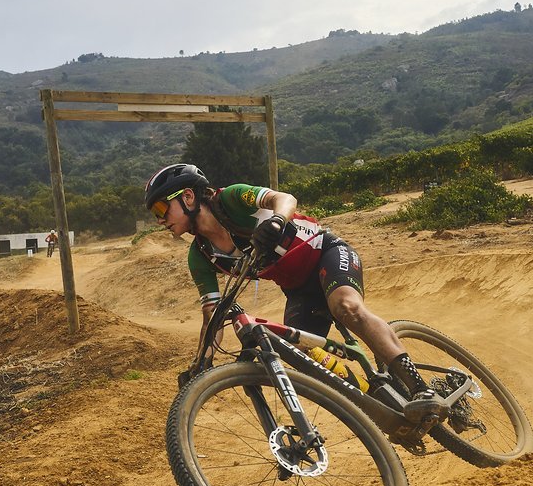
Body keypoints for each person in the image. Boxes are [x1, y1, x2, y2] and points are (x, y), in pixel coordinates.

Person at [144, 163, 432, 398]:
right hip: (298, 290)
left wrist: (277, 220)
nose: (159, 220)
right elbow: (212, 317)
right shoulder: (201, 256)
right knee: (301, 359)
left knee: (346, 307)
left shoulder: (230, 199)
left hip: (326, 253)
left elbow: (285, 199)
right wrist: (201, 365)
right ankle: (379, 395)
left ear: (188, 197)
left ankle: (421, 388)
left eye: (160, 209)